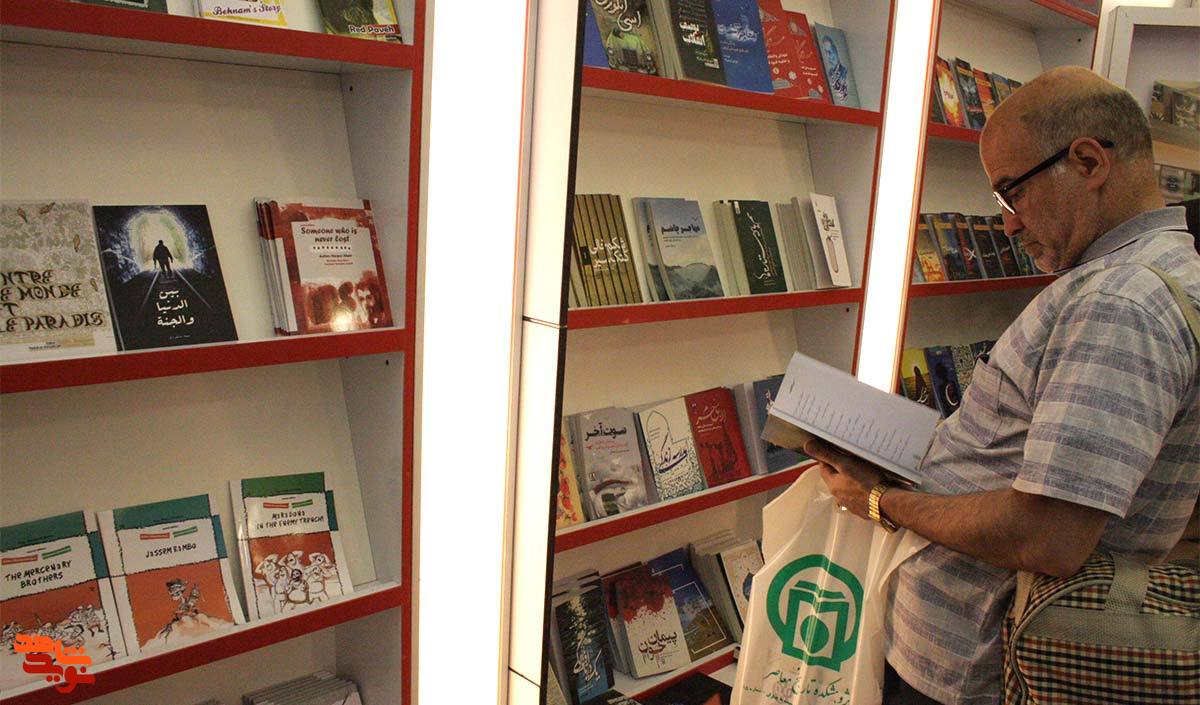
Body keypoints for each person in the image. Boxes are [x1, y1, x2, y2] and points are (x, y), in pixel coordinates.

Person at [806, 66, 1200, 705]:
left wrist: (878, 500)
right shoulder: (1139, 278)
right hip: (971, 653)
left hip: (981, 667)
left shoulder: (1121, 303)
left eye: (1011, 192)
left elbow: (1048, 535)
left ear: (1089, 161)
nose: (1009, 225)